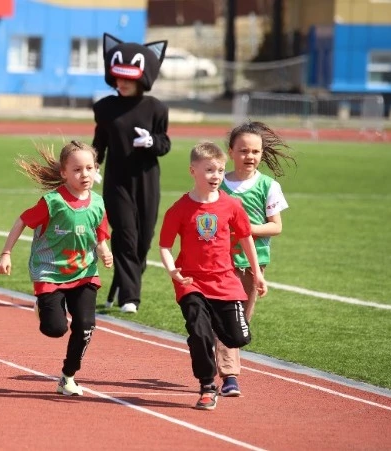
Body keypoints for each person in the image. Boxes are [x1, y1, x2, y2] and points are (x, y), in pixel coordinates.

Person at [0, 140, 113, 396]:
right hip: (49, 272)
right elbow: (21, 221)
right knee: (55, 329)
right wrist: (6, 254)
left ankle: (68, 376)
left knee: (85, 324)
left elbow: (100, 230)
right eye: (77, 170)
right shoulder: (53, 202)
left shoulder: (98, 202)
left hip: (84, 273)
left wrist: (104, 250)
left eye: (90, 168)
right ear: (64, 172)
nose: (85, 175)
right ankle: (43, 305)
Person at [158, 141, 267, 411]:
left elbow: (245, 238)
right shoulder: (180, 208)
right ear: (192, 171)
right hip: (191, 282)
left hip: (225, 282)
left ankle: (212, 330)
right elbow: (164, 245)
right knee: (199, 331)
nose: (216, 176)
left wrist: (257, 274)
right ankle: (207, 386)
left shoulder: (232, 206)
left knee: (237, 338)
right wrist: (172, 269)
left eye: (219, 170)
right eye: (209, 170)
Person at [214, 121, 295, 397]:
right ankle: (230, 377)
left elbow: (276, 226)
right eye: (244, 150)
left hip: (254, 262)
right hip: (221, 264)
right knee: (228, 319)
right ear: (231, 152)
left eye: (255, 151)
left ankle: (220, 354)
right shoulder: (218, 183)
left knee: (241, 323)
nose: (250, 156)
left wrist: (242, 228)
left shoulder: (268, 186)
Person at [92, 33, 171, 314]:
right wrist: (92, 168)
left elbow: (165, 144)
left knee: (144, 239)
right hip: (116, 181)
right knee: (125, 235)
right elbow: (98, 143)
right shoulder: (104, 108)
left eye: (128, 79)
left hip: (148, 180)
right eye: (118, 78)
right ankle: (130, 298)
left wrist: (151, 142)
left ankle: (120, 284)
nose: (122, 83)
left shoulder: (156, 108)